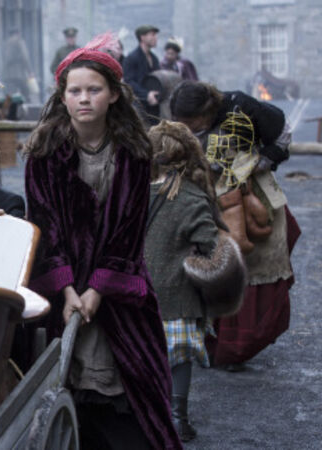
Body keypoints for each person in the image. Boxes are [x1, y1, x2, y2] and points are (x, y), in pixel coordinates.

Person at [25, 33, 181, 449]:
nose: (84, 99)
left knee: (129, 386)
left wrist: (98, 288)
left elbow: (128, 229)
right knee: (61, 382)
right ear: (62, 96)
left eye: (94, 90)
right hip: (64, 286)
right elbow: (43, 225)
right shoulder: (44, 153)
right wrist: (67, 289)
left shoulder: (133, 152)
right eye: (75, 91)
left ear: (113, 94)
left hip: (116, 286)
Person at [170, 81, 300, 371]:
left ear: (207, 112)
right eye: (182, 122)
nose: (188, 128)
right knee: (202, 264)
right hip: (201, 196)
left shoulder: (242, 107)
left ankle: (236, 346)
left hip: (249, 196)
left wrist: (260, 162)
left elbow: (281, 131)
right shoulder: (181, 123)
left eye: (193, 122)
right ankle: (203, 341)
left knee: (248, 266)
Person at [144, 120, 225, 442]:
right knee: (178, 360)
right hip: (178, 297)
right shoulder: (193, 197)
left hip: (137, 295)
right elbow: (212, 248)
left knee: (143, 357)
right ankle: (177, 419)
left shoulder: (131, 192)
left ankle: (146, 417)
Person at [123, 25, 161, 125]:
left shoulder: (154, 58)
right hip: (138, 106)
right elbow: (129, 81)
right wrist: (146, 94)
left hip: (154, 107)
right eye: (152, 35)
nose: (155, 38)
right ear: (142, 37)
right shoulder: (131, 58)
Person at [2, 28, 35, 102]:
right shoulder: (19, 41)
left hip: (7, 74)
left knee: (10, 95)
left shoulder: (5, 43)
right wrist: (30, 71)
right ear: (17, 33)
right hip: (18, 73)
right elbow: (25, 57)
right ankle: (28, 106)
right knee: (26, 92)